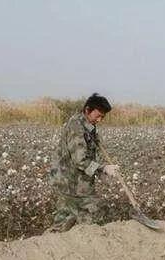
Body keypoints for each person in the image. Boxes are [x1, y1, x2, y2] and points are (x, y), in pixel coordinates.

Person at [48, 93, 119, 232]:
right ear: (87, 110)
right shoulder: (76, 127)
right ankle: (53, 247)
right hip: (68, 182)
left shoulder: (89, 126)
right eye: (98, 115)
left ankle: (82, 245)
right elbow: (80, 160)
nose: (99, 120)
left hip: (82, 182)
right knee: (65, 221)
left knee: (89, 219)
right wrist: (103, 169)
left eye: (102, 117)